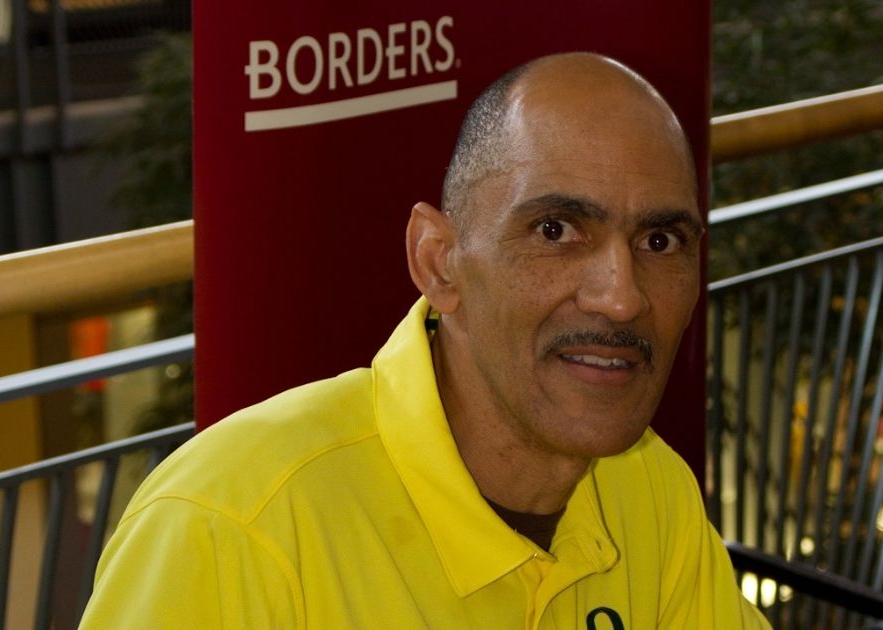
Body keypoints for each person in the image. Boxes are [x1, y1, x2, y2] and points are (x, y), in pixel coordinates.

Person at [80, 52, 769, 628]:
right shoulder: (231, 527)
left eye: (659, 240)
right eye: (555, 230)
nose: (621, 297)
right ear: (439, 262)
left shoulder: (648, 487)